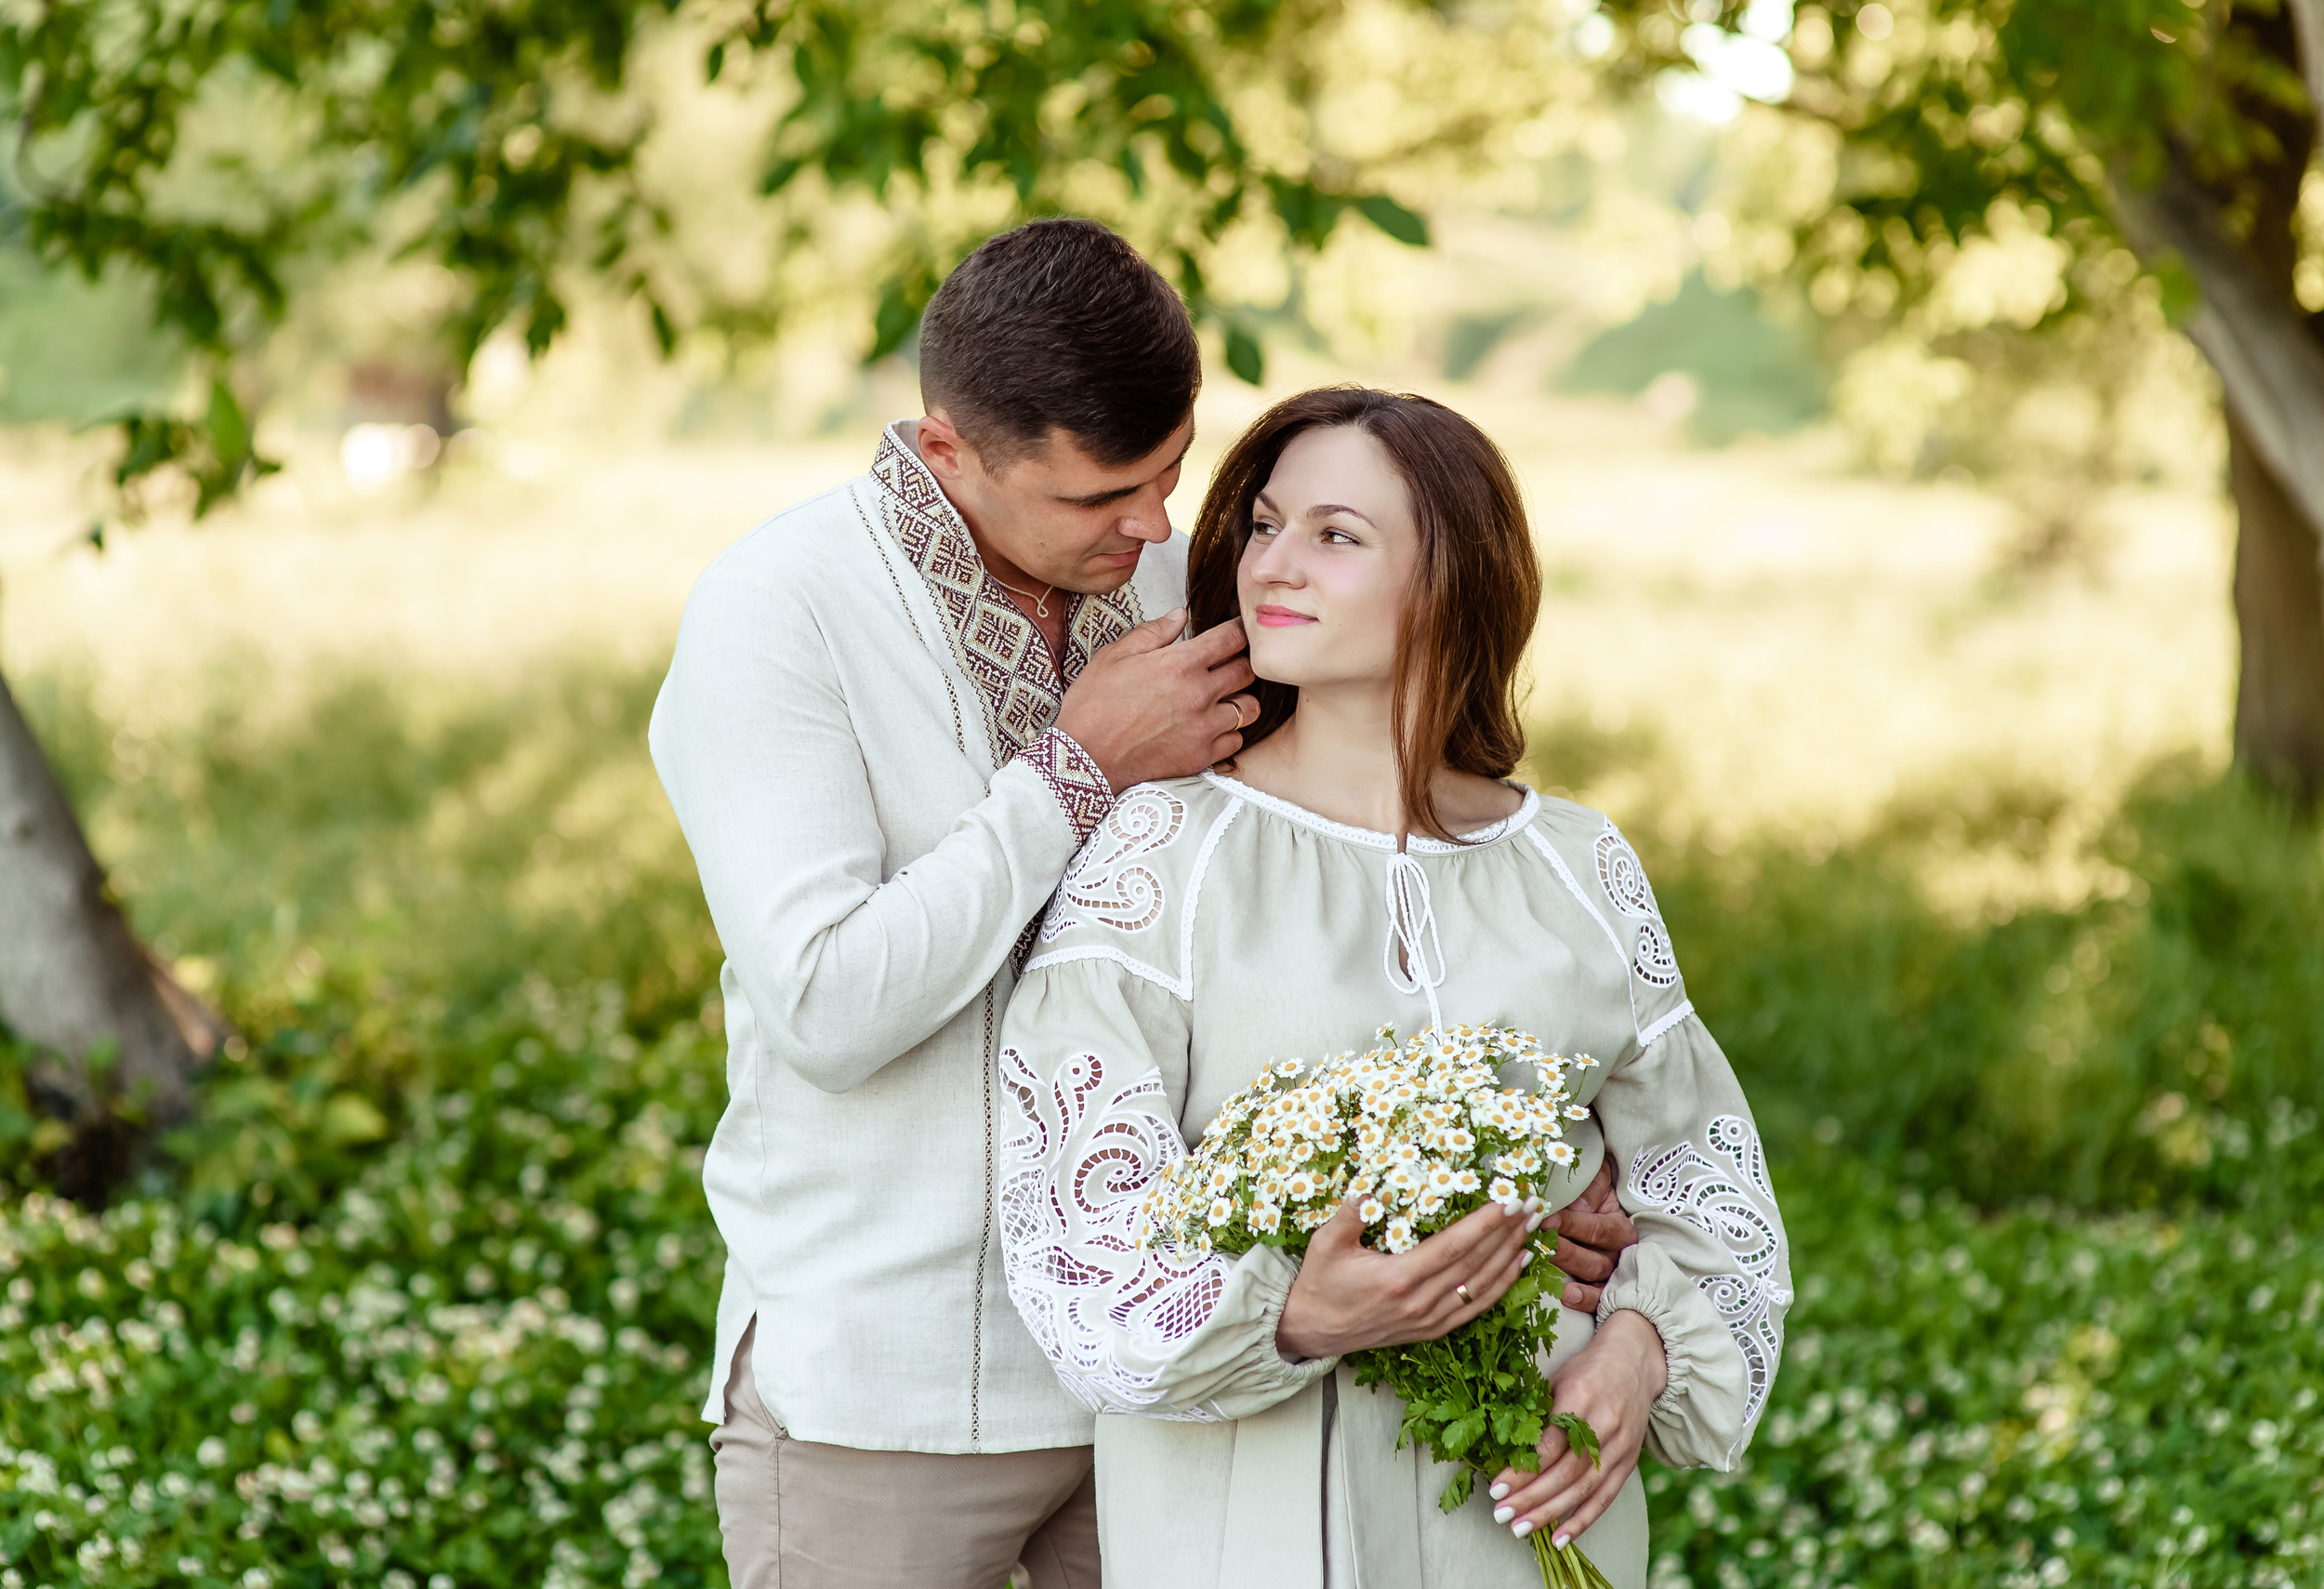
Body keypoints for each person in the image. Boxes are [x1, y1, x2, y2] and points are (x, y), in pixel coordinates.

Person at [650, 220, 1638, 1589]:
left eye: (1171, 471)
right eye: (1100, 495)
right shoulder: (779, 613)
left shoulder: (1174, 587)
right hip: (893, 1391)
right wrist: (1079, 770)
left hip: (1197, 1383)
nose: (1159, 526)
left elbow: (1345, 889)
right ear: (948, 454)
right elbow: (825, 1000)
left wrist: (1531, 1164)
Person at [995, 386, 1793, 1588]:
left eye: (1336, 534)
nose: (1276, 563)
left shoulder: (1578, 865)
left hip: (1535, 1510)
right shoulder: (1163, 849)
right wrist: (1303, 1310)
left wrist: (1637, 1347)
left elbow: (1709, 1185)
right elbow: (1072, 1232)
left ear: (1451, 578)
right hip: (1246, 1525)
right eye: (1264, 524)